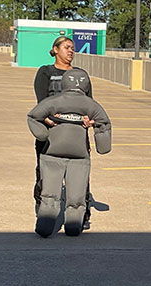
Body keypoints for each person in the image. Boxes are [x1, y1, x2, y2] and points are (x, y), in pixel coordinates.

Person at [28, 69, 112, 238]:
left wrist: (44, 130)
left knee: (50, 194)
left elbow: (33, 116)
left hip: (52, 153)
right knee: (77, 195)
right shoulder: (91, 105)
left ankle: (45, 226)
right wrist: (100, 141)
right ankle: (73, 227)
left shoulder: (54, 101)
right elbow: (104, 123)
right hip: (79, 156)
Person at [33, 36, 95, 230]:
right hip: (51, 132)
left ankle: (81, 215)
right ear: (55, 49)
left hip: (76, 134)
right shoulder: (45, 72)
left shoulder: (81, 75)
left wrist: (88, 118)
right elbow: (41, 101)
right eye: (66, 47)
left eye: (72, 48)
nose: (71, 51)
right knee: (44, 173)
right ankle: (44, 211)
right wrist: (47, 119)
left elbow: (89, 103)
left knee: (79, 174)